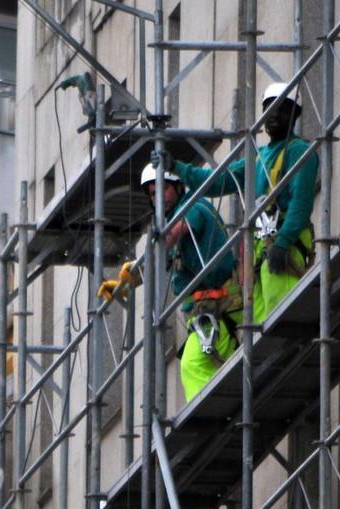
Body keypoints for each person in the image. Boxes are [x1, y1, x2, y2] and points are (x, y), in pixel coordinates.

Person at [171, 82, 318, 324]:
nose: (272, 115)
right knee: (259, 319)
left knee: (279, 313)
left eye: (280, 109)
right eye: (268, 108)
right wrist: (177, 168)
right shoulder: (259, 157)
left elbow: (300, 205)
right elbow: (216, 182)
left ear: (295, 113)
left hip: (284, 241)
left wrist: (283, 243)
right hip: (261, 244)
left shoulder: (300, 151)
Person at [98, 163, 240, 401]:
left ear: (177, 187)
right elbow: (164, 261)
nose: (158, 198)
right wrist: (129, 282)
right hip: (211, 311)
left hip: (220, 308)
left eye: (163, 189)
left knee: (193, 365)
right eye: (153, 194)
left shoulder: (192, 206)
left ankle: (205, 417)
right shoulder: (179, 216)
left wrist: (139, 265)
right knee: (202, 366)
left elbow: (172, 236)